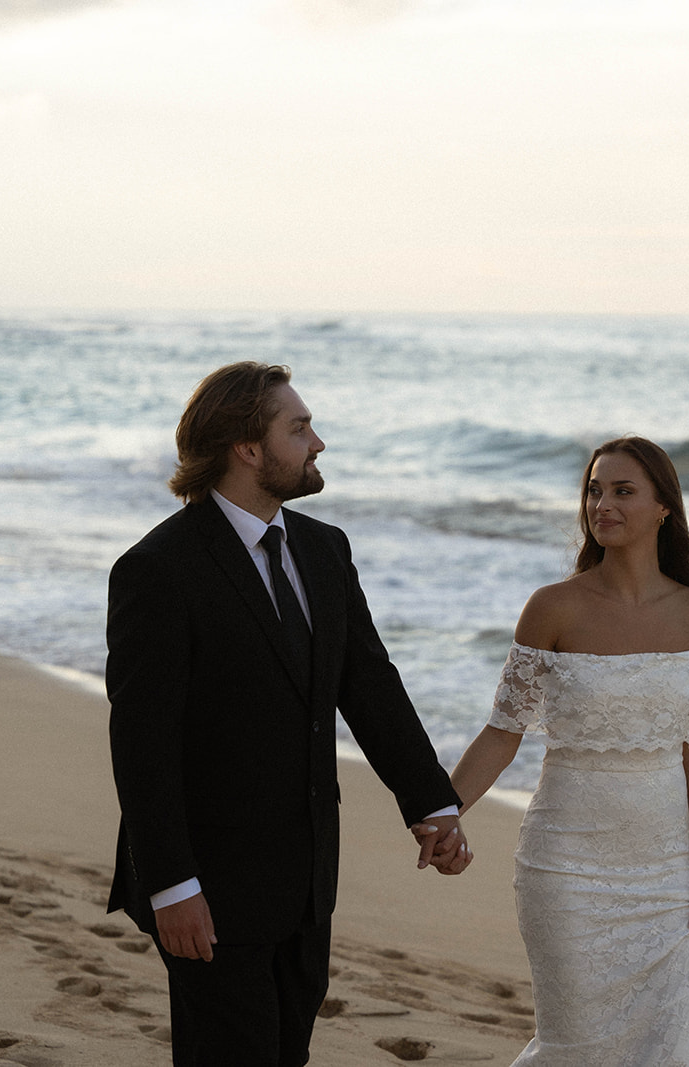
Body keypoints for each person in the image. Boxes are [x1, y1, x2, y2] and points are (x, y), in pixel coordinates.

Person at [105, 361, 470, 1067]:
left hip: (304, 880)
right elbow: (142, 745)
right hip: (205, 882)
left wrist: (432, 803)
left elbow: (369, 684)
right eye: (299, 428)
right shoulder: (159, 569)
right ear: (247, 446)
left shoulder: (323, 549)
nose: (318, 442)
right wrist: (172, 885)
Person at [446, 435, 689, 1066]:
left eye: (623, 491)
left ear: (664, 508)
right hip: (565, 868)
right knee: (574, 1047)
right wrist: (446, 810)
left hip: (664, 876)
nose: (603, 504)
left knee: (664, 1049)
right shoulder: (554, 608)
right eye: (595, 490)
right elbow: (502, 730)